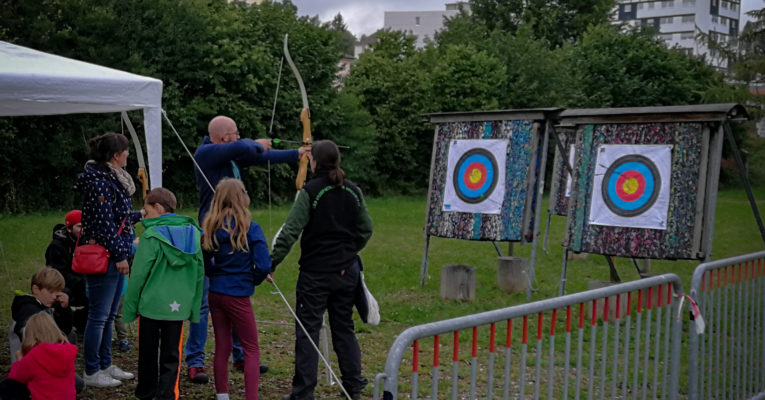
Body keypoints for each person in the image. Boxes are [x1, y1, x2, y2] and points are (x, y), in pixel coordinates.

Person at [187, 115, 305, 383]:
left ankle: (240, 356)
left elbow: (258, 156)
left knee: (238, 296)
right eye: (234, 132)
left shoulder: (230, 154)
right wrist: (256, 143)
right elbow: (246, 148)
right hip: (212, 234)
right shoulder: (207, 153)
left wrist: (297, 154)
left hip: (235, 231)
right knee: (204, 302)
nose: (238, 136)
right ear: (221, 137)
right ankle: (195, 361)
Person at [271, 140, 373, 400]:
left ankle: (303, 393)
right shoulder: (352, 191)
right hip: (346, 272)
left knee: (307, 332)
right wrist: (349, 252)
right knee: (344, 329)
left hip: (315, 274)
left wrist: (270, 263)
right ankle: (353, 388)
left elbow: (290, 231)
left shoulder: (311, 191)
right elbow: (365, 230)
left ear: (314, 162)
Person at [123, 188, 204, 400]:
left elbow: (138, 276)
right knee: (172, 355)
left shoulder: (150, 236)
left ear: (158, 207)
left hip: (151, 305)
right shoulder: (194, 234)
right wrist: (194, 308)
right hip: (178, 307)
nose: (145, 215)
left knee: (147, 353)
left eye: (147, 211)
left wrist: (129, 309)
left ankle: (147, 394)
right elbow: (199, 274)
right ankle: (168, 395)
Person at [76, 131, 142, 388]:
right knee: (99, 315)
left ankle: (105, 363)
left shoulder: (112, 179)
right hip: (105, 257)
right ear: (116, 156)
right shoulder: (101, 183)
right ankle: (92, 370)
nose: (128, 155)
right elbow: (104, 225)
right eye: (126, 151)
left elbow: (117, 218)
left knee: (109, 312)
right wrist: (121, 255)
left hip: (113, 254)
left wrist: (139, 215)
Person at [203, 178, 270, 400]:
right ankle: (251, 397)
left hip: (216, 292)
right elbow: (263, 265)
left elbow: (204, 261)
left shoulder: (211, 226)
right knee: (251, 347)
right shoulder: (251, 227)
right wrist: (252, 280)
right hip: (238, 294)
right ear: (242, 196)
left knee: (222, 344)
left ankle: (222, 395)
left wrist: (216, 275)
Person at [1, 312, 78, 400]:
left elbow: (15, 377)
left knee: (8, 386)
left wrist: (19, 361)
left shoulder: (35, 356)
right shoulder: (67, 351)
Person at [10, 267, 73, 363]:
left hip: (46, 361)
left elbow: (64, 331)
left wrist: (64, 309)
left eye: (57, 293)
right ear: (36, 289)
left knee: (72, 336)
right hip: (29, 365)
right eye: (51, 292)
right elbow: (27, 337)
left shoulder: (47, 306)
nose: (54, 297)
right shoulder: (27, 310)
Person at [44, 209, 88, 335]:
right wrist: (80, 282)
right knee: (61, 300)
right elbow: (57, 272)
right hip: (61, 284)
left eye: (85, 225)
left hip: (81, 283)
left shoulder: (85, 241)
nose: (83, 229)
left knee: (97, 297)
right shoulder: (56, 246)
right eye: (79, 226)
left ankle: (82, 327)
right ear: (69, 228)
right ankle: (63, 334)